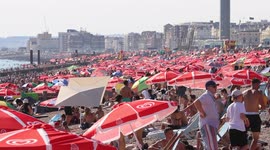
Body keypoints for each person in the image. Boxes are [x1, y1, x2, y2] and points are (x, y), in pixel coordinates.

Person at [194, 80, 219, 150]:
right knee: (212, 147)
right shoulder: (206, 95)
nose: (216, 88)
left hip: (210, 125)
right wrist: (202, 112)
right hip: (208, 125)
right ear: (209, 87)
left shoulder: (210, 96)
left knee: (211, 146)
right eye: (214, 86)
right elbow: (196, 102)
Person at [243, 78, 266, 150]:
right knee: (255, 138)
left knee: (243, 136)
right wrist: (258, 107)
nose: (259, 86)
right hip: (254, 115)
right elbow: (263, 106)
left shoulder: (244, 92)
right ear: (256, 84)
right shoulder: (258, 92)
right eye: (259, 84)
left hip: (245, 116)